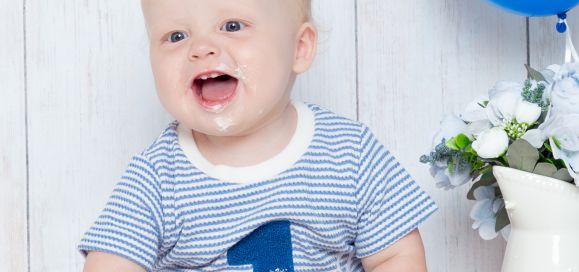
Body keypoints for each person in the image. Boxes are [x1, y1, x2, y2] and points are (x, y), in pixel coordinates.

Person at [79, 0, 437, 271]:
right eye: (176, 36)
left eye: (232, 25)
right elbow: (112, 260)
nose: (201, 47)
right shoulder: (158, 175)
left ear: (299, 48)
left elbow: (395, 255)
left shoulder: (349, 153)